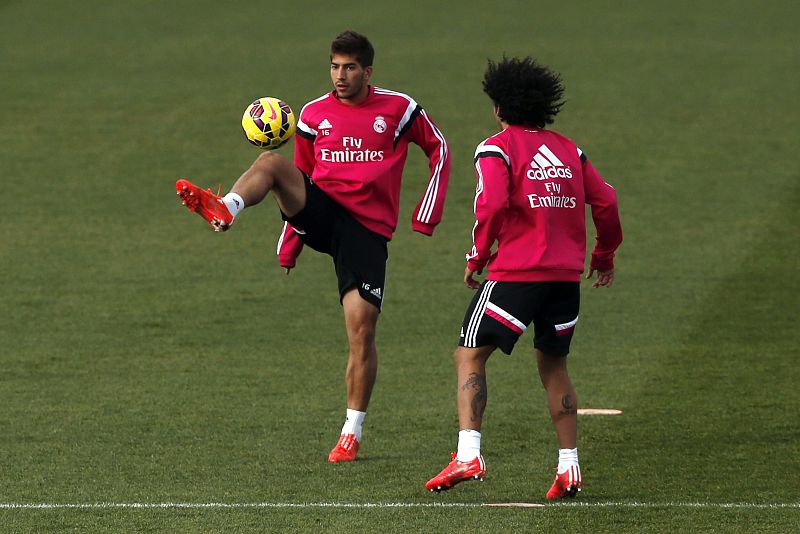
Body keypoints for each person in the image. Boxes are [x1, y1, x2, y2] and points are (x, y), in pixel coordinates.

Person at [176, 30, 450, 462]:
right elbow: (301, 176)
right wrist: (290, 244)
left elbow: (440, 148)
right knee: (272, 163)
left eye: (350, 67)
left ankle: (351, 432)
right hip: (322, 214)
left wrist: (426, 213)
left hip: (366, 233)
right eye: (335, 66)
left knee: (362, 332)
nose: (340, 76)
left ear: (368, 71)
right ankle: (226, 206)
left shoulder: (400, 109)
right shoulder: (312, 114)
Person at [424, 56, 621, 499]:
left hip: (517, 274)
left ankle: (468, 454)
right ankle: (569, 467)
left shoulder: (496, 148)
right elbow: (607, 201)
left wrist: (477, 256)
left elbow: (491, 204)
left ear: (499, 106)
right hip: (565, 279)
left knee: (469, 354)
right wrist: (603, 256)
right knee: (553, 365)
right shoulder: (569, 150)